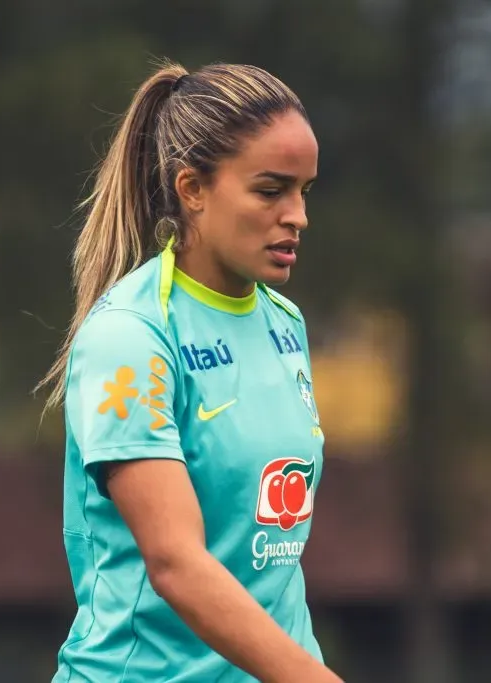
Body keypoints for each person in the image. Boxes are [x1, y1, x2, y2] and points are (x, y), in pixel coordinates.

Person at [38, 60, 342, 682]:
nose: (297, 216)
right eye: (270, 190)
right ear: (192, 189)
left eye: (303, 191)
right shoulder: (131, 335)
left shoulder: (285, 323)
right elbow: (176, 562)